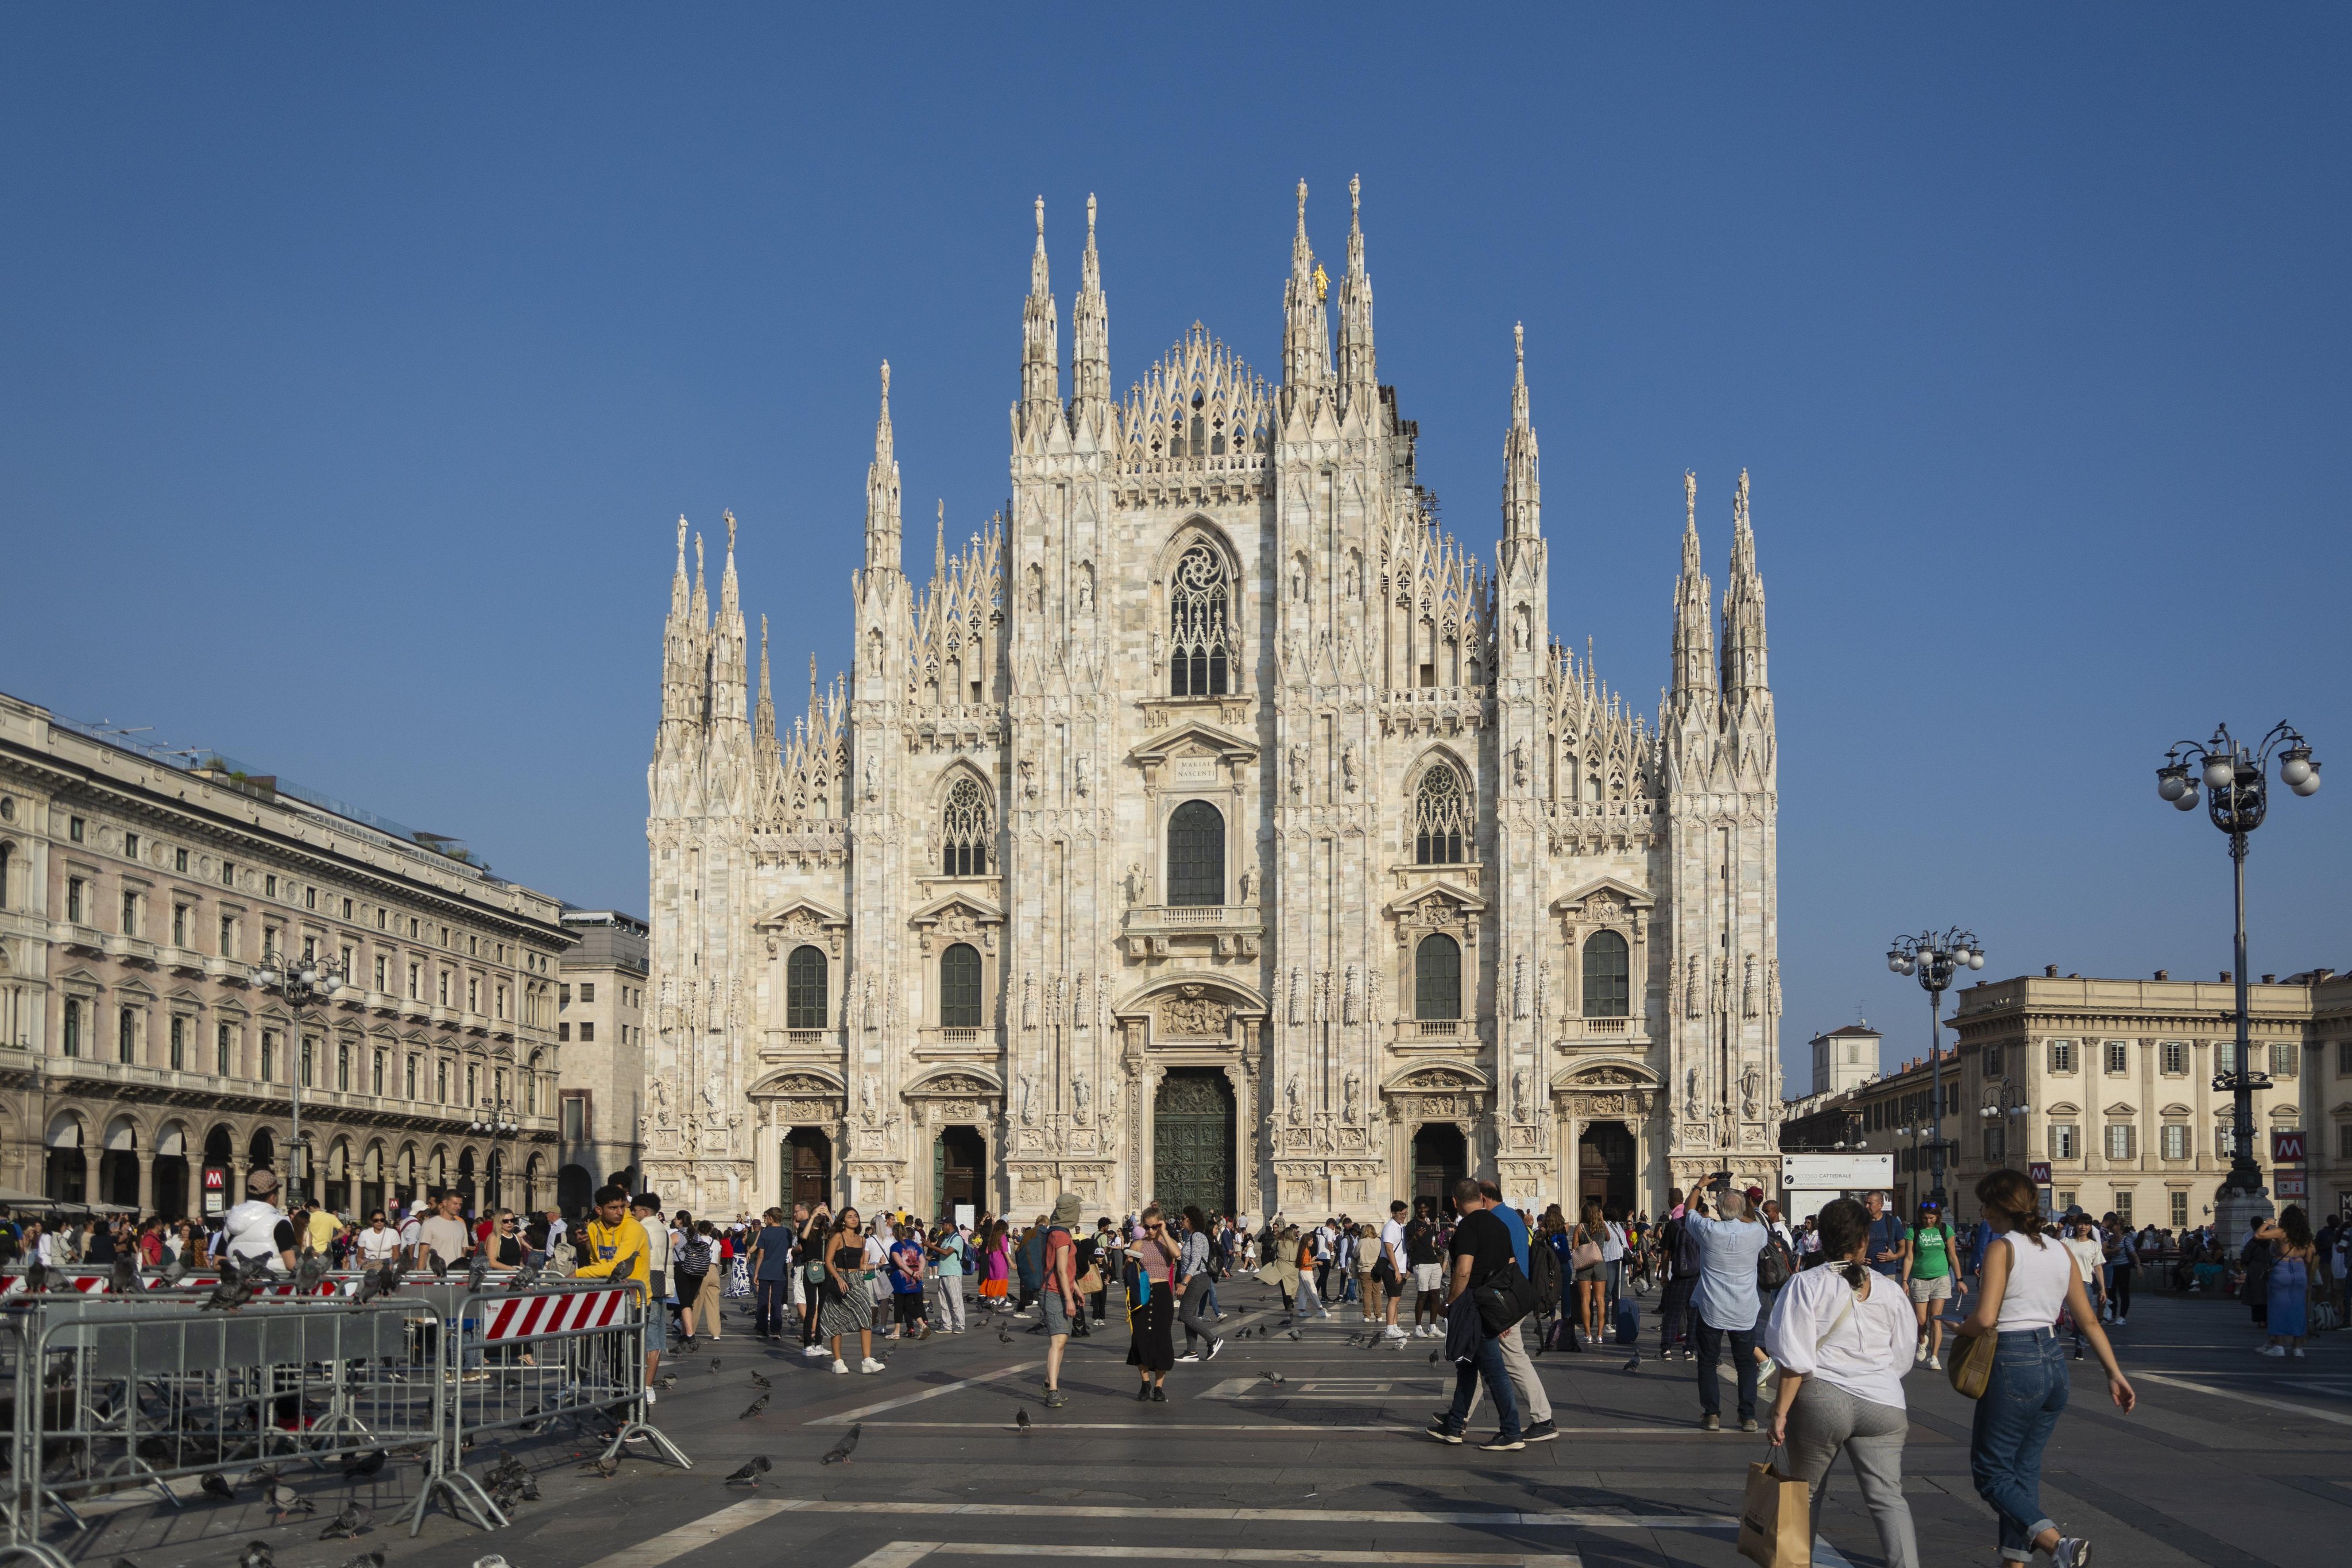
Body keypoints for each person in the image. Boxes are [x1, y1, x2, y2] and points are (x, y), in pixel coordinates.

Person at [1959, 1169, 2134, 1568]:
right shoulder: (2060, 1249)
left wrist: (1959, 1328)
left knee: (1990, 1472)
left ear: (2002, 1206)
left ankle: (2060, 1545)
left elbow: (1985, 1317)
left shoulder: (2003, 1248)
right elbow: (2088, 1320)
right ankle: (2015, 1563)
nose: (1983, 1211)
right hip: (2054, 1361)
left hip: (2014, 1359)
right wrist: (2114, 1372)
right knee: (2022, 1473)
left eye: (1986, 1203)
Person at [1762, 1197, 1921, 1568]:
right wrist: (1876, 1378)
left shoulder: (1806, 1284)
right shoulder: (1890, 1290)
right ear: (1865, 1239)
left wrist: (1780, 1412)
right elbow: (1903, 1353)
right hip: (1884, 1402)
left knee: (1806, 1495)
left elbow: (1794, 1357)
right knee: (1888, 1498)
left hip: (1823, 1397)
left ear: (1821, 1239)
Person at [1425, 1178, 1525, 1451]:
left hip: (1473, 1305)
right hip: (1492, 1302)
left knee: (1494, 1372)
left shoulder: (1468, 1227)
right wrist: (1504, 1312)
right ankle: (1454, 1426)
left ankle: (1512, 1431)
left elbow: (1464, 1270)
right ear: (1481, 1197)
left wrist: (1449, 1302)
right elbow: (1510, 1266)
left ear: (1455, 1202)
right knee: (1467, 1366)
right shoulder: (1500, 1225)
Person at [1459, 1180, 1557, 1442]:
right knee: (1482, 1359)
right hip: (1512, 1299)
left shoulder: (1496, 1220)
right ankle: (1459, 1417)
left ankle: (1543, 1418)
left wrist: (1501, 1315)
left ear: (1482, 1198)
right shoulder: (1510, 1217)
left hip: (1504, 1303)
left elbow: (1505, 1267)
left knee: (1514, 1360)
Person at [1684, 1185, 1771, 1433]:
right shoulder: (1756, 1232)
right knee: (1745, 1364)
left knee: (1708, 1362)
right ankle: (1748, 1417)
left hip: (1712, 1308)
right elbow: (1749, 1219)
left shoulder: (1709, 1230)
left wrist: (1700, 1185)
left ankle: (1712, 1415)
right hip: (1744, 1309)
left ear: (1718, 1210)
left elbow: (1688, 1210)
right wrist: (1737, 1206)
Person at [573, 1184, 657, 1394]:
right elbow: (596, 1262)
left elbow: (616, 1265)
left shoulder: (634, 1228)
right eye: (613, 1208)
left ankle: (634, 1415)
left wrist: (577, 1275)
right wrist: (582, 1248)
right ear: (600, 1210)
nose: (620, 1212)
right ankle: (620, 1410)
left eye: (622, 1206)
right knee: (613, 1359)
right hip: (609, 1300)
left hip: (634, 1302)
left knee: (630, 1361)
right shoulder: (593, 1228)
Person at [813, 1206, 881, 1374]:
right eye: (850, 1217)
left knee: (866, 1315)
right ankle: (838, 1361)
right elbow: (828, 1261)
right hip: (840, 1280)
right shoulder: (838, 1237)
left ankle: (867, 1360)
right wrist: (838, 1278)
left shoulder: (862, 1240)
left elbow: (860, 1265)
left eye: (856, 1216)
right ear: (843, 1221)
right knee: (837, 1319)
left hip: (857, 1280)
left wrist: (876, 1265)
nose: (854, 1219)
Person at [1127, 1205, 1180, 1401]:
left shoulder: (1166, 1243)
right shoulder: (1138, 1244)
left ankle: (1159, 1387)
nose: (1150, 1231)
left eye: (1154, 1227)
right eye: (1147, 1227)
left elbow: (1177, 1255)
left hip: (1161, 1294)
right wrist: (1129, 1264)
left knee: (1161, 1338)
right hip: (1141, 1293)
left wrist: (1164, 1233)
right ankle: (1145, 1382)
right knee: (1140, 1338)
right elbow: (1127, 1270)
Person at [2254, 1206, 2315, 1357]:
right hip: (2300, 1270)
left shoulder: (2282, 1231)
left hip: (2282, 1269)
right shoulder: (2306, 1236)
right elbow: (2309, 1258)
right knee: (2298, 1309)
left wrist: (2266, 1222)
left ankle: (2279, 1346)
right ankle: (2297, 1347)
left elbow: (2259, 1235)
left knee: (2278, 1308)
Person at [1905, 1199, 1957, 1370]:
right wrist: (1905, 1281)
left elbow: (1952, 1256)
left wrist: (1960, 1279)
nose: (1929, 1221)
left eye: (1932, 1218)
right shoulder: (1913, 1230)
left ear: (1937, 1217)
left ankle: (1934, 1357)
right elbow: (1909, 1257)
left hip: (1940, 1278)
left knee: (1935, 1318)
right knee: (1921, 1321)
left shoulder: (1945, 1230)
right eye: (1926, 1218)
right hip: (1919, 1279)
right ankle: (1922, 1340)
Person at [1173, 1205, 1227, 1364]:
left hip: (1197, 1278)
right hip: (1195, 1278)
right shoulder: (1191, 1236)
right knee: (1191, 1314)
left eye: (1183, 1218)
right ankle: (1191, 1351)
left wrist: (1184, 1282)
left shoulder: (1197, 1237)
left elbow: (1196, 1261)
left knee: (1185, 1314)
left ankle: (1213, 1340)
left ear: (1191, 1219)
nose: (1181, 1220)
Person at [222, 1167, 299, 1273]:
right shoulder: (280, 1223)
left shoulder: (232, 1221)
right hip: (274, 1284)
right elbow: (291, 1264)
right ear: (273, 1198)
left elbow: (218, 1262)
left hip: (238, 1284)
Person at [2057, 1218, 2107, 1362]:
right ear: (2076, 1225)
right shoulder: (2066, 1242)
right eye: (2080, 1224)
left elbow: (2098, 1268)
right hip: (2065, 1282)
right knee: (2058, 1316)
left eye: (2086, 1224)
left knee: (2084, 1318)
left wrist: (2103, 1289)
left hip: (2085, 1283)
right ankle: (2055, 1345)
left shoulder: (2094, 1246)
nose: (2083, 1227)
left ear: (2090, 1227)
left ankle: (2080, 1347)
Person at [1567, 1199, 1610, 1346]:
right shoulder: (1602, 1227)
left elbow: (1574, 1248)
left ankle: (1588, 1334)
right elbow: (1609, 1238)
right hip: (1600, 1264)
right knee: (1600, 1300)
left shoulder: (1580, 1227)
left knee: (1585, 1300)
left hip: (1584, 1265)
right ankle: (1600, 1335)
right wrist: (1602, 1219)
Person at [676, 1218, 720, 1345]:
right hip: (714, 1271)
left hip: (702, 1271)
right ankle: (716, 1333)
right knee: (714, 1304)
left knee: (695, 1303)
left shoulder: (697, 1240)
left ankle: (689, 1331)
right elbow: (718, 1261)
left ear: (699, 1229)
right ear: (711, 1230)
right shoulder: (716, 1242)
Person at [887, 1222, 930, 1342]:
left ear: (896, 1234)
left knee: (899, 1304)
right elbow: (922, 1260)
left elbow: (900, 1264)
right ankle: (922, 1325)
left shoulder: (896, 1246)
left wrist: (912, 1273)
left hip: (901, 1279)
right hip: (914, 1279)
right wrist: (919, 1272)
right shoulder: (915, 1245)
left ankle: (896, 1332)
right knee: (908, 1304)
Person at [417, 1190, 473, 1275]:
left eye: (460, 1204)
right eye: (455, 1204)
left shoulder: (461, 1225)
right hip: (434, 1275)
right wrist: (420, 1276)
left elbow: (462, 1253)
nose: (458, 1207)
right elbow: (423, 1252)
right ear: (445, 1203)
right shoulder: (429, 1224)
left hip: (456, 1276)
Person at [930, 1221, 969, 1334]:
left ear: (950, 1225)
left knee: (955, 1300)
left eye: (944, 1224)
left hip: (953, 1273)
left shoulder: (957, 1239)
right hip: (943, 1272)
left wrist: (931, 1246)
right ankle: (947, 1325)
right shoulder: (946, 1238)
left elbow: (947, 1252)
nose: (942, 1226)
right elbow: (941, 1254)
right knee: (944, 1301)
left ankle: (960, 1325)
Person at [1862, 1190, 1908, 1282]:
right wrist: (1858, 1258)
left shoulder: (1892, 1222)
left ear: (1881, 1205)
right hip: (1864, 1272)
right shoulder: (1859, 1222)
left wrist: (1895, 1256)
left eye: (1870, 1203)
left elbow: (1904, 1246)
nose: (1866, 1206)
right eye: (1865, 1203)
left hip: (1887, 1272)